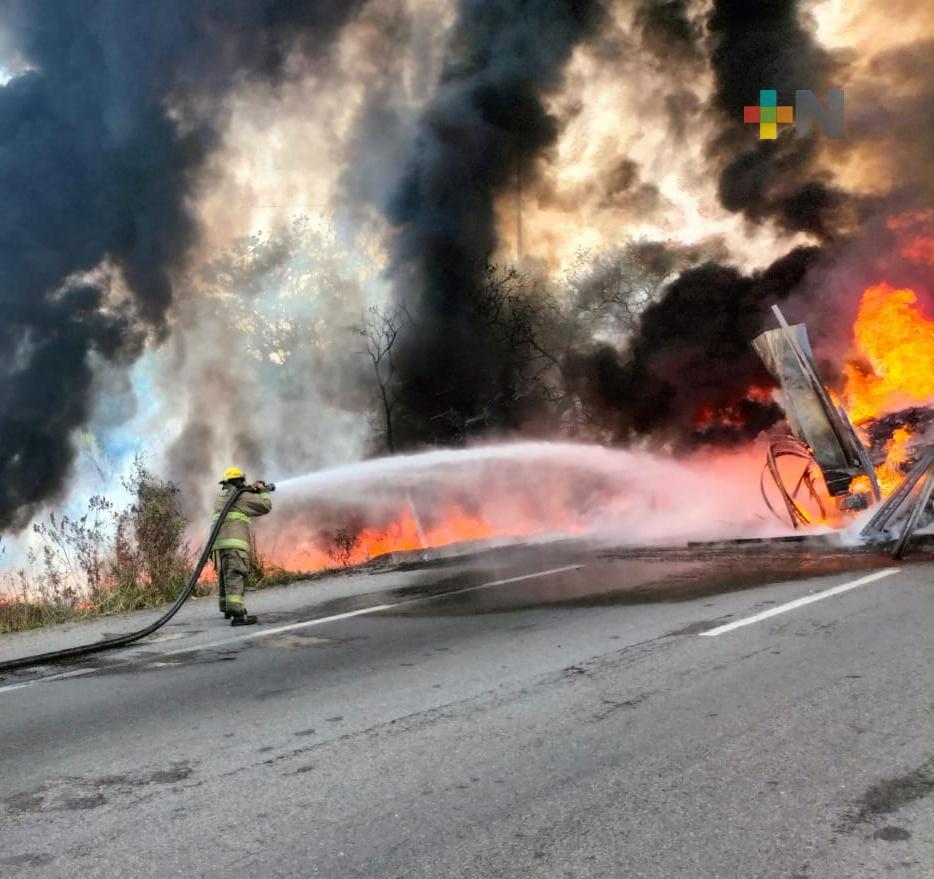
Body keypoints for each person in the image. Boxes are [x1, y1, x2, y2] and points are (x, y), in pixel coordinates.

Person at [212, 467, 272, 626]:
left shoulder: (221, 495)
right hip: (235, 543)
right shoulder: (241, 497)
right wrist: (263, 490)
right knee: (236, 574)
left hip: (219, 544)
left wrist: (249, 489)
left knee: (226, 575)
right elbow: (265, 506)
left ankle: (226, 608)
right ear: (239, 481)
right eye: (242, 481)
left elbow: (239, 497)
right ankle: (238, 614)